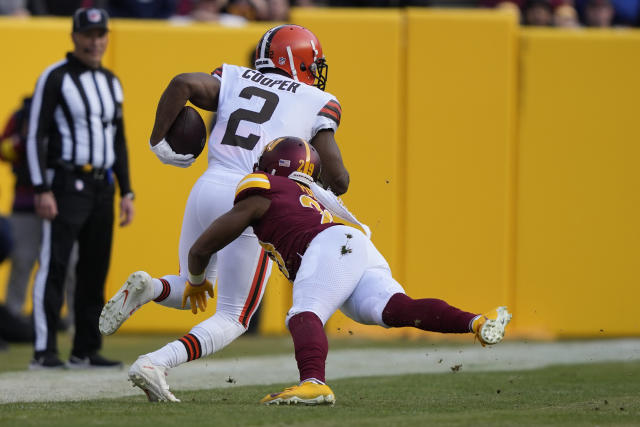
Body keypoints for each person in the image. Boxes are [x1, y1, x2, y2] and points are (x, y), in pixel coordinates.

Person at [125, 136, 512, 403]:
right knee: (393, 310)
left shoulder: (264, 186)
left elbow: (204, 245)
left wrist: (194, 278)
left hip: (329, 246)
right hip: (354, 244)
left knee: (304, 312)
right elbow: (357, 224)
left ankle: (313, 383)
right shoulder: (314, 192)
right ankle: (477, 322)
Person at [99, 24, 349, 401]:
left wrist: (157, 141)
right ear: (294, 60)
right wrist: (315, 174)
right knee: (235, 317)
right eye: (311, 64)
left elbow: (182, 82)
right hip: (252, 196)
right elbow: (340, 178)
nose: (314, 73)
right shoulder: (316, 99)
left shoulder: (233, 75)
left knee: (194, 285)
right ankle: (154, 362)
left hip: (207, 185)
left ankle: (149, 288)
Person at [26, 8, 135, 369]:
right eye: (88, 34)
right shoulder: (55, 78)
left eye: (100, 34)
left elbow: (119, 140)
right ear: (74, 36)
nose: (95, 41)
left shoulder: (112, 81)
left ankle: (85, 349)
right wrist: (41, 187)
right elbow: (35, 135)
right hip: (66, 183)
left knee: (94, 269)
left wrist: (127, 190)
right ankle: (44, 350)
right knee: (55, 265)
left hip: (101, 185)